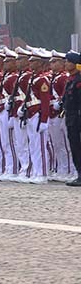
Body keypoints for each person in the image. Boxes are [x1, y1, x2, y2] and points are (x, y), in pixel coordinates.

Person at [62, 51, 81, 186]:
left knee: (78, 146)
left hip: (78, 117)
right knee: (74, 147)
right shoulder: (71, 80)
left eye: (69, 61)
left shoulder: (79, 81)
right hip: (71, 118)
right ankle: (79, 174)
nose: (66, 64)